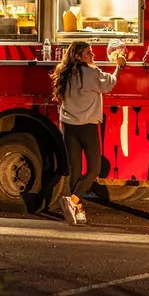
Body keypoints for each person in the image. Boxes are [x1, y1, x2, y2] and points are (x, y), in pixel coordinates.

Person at [50, 41, 126, 225]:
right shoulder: (92, 73)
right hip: (87, 127)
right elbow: (109, 84)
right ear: (78, 56)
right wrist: (119, 67)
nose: (92, 56)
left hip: (68, 127)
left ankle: (77, 209)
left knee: (75, 169)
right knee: (94, 169)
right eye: (88, 53)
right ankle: (73, 200)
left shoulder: (64, 72)